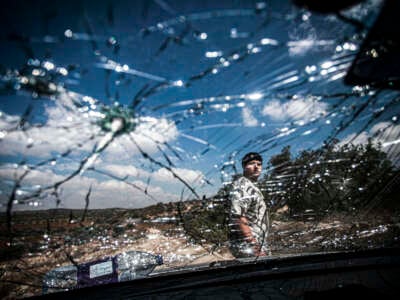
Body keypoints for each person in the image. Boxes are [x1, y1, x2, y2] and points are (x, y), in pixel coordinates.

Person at [228, 152, 270, 258]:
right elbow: (238, 217)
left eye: (259, 164)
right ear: (244, 166)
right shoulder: (243, 185)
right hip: (249, 246)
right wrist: (255, 247)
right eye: (252, 163)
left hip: (256, 242)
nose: (256, 167)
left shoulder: (251, 186)